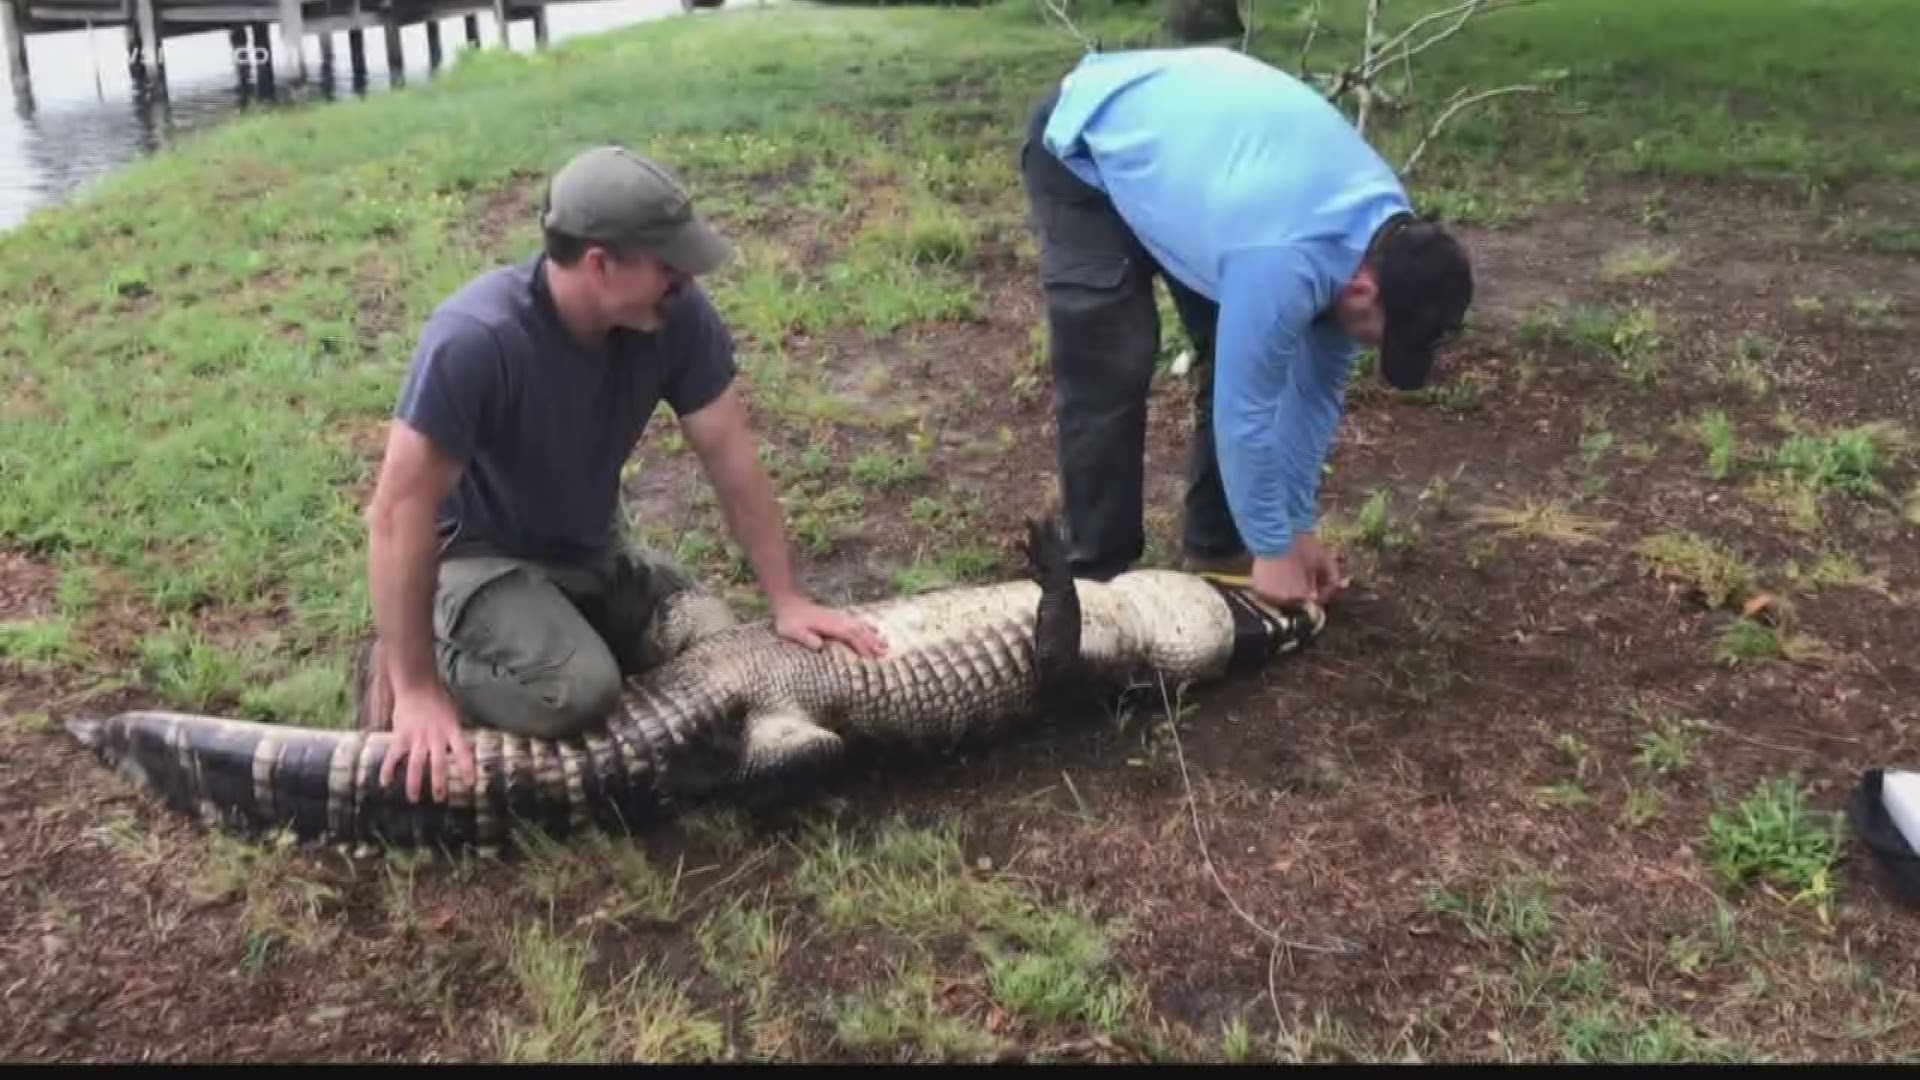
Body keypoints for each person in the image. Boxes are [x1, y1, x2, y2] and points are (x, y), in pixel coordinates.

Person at [359, 145, 886, 805]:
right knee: (579, 693)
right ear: (601, 266)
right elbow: (396, 513)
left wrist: (785, 600)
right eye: (669, 266)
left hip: (589, 552)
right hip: (480, 560)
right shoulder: (474, 339)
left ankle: (574, 626)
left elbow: (731, 458)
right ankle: (415, 653)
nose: (687, 281)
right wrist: (416, 690)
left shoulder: (674, 317)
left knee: (723, 641)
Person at [1018, 45, 1474, 608]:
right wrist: (1274, 547)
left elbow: (1312, 397)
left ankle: (1217, 550)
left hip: (1207, 177)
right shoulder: (1283, 259)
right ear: (1363, 290)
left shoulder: (1383, 240)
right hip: (1086, 141)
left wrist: (1294, 531)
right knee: (1111, 363)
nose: (1374, 347)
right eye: (1382, 334)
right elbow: (1245, 411)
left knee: (1237, 347)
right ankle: (1099, 584)